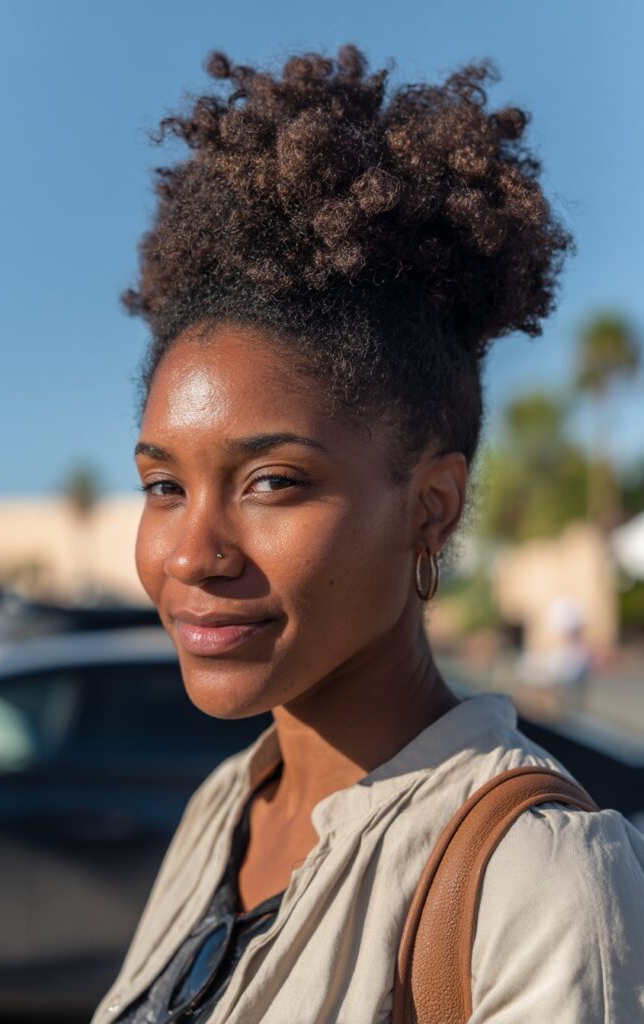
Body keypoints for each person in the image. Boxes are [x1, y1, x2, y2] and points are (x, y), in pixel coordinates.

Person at [92, 45, 644, 1023]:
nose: (189, 552)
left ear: (429, 505)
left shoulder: (532, 880)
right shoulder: (227, 806)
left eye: (272, 482)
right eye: (164, 484)